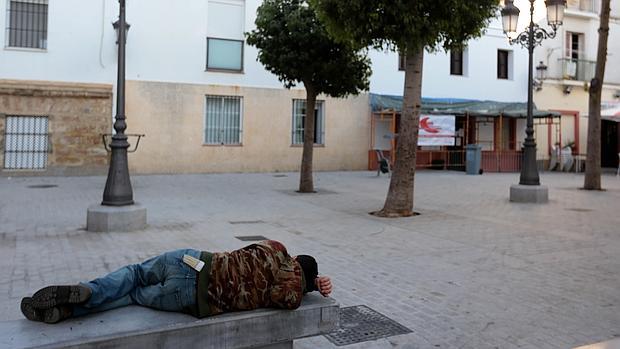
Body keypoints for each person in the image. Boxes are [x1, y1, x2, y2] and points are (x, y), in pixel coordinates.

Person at [21, 240, 332, 324]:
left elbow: (246, 251)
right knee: (133, 297)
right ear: (306, 282)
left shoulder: (275, 247)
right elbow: (289, 293)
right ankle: (66, 313)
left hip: (193, 260)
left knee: (134, 274)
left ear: (295, 258)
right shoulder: (292, 298)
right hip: (193, 300)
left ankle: (90, 290)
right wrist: (311, 287)